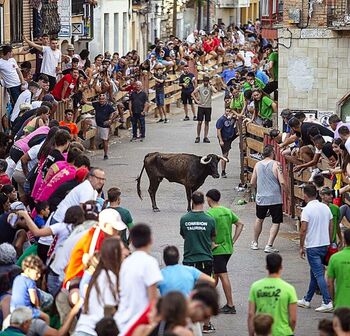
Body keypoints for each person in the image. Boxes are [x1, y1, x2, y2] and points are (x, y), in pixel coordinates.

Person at [115, 224, 163, 335]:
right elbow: (152, 297)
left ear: (131, 241)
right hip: (138, 321)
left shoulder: (126, 262)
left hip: (122, 319)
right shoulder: (149, 262)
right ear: (151, 240)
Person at [180, 191, 216, 333]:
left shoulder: (184, 219)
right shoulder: (210, 219)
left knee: (190, 291)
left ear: (192, 201)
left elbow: (184, 235)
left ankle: (189, 323)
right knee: (205, 293)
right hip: (205, 259)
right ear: (203, 201)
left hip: (189, 259)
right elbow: (212, 238)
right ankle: (206, 324)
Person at [73, 237, 122, 336]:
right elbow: (108, 308)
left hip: (83, 328)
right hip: (93, 331)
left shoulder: (98, 274)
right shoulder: (109, 277)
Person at [206, 189, 244, 314]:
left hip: (217, 249)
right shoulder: (227, 211)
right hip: (228, 248)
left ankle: (230, 304)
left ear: (209, 199)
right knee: (215, 275)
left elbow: (207, 232)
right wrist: (233, 240)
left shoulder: (209, 214)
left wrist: (211, 244)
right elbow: (240, 224)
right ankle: (207, 300)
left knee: (222, 274)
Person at [298, 184, 334, 312]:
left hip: (313, 245)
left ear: (305, 195)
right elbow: (331, 225)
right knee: (314, 273)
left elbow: (303, 229)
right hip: (324, 244)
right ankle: (307, 299)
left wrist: (301, 246)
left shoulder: (307, 210)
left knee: (318, 273)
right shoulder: (325, 208)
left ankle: (327, 301)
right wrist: (329, 240)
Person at [248, 253, 297, 336]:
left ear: (267, 267)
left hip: (263, 332)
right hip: (283, 332)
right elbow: (293, 319)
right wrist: (289, 331)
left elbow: (251, 314)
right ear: (281, 267)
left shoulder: (256, 287)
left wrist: (251, 333)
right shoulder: (289, 289)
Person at [250, 144, 286, 253]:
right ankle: (269, 244)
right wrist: (287, 193)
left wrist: (259, 189)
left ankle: (255, 242)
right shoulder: (276, 164)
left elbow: (252, 182)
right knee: (276, 221)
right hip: (275, 197)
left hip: (261, 197)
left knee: (259, 219)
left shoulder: (257, 165)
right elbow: (282, 182)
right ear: (272, 153)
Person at [10, 255, 50, 324]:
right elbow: (33, 299)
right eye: (37, 273)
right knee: (46, 317)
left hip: (13, 309)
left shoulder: (17, 278)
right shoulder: (30, 281)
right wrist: (37, 307)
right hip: (25, 311)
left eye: (40, 273)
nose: (39, 275)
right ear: (28, 270)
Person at [327, 229, 350, 309]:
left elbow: (329, 283)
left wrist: (334, 301)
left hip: (341, 305)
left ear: (344, 241)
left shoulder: (335, 258)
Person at [90, 93, 116, 159]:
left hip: (104, 124)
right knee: (86, 121)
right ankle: (83, 135)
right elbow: (87, 102)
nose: (101, 100)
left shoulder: (109, 106)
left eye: (103, 99)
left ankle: (105, 154)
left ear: (105, 100)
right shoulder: (96, 104)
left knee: (105, 140)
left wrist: (110, 120)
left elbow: (115, 113)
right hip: (96, 122)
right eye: (100, 99)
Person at [191, 76, 217, 143]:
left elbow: (215, 91)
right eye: (205, 81)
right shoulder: (200, 87)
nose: (206, 83)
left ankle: (205, 136)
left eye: (207, 81)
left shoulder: (210, 87)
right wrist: (196, 101)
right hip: (201, 106)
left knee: (207, 122)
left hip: (208, 106)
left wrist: (211, 85)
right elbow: (193, 93)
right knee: (199, 122)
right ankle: (198, 136)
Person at [216, 109, 236, 178]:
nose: (228, 113)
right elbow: (218, 131)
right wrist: (221, 140)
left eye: (230, 111)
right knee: (225, 155)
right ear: (224, 111)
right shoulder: (221, 120)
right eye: (227, 111)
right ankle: (223, 171)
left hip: (231, 135)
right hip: (224, 138)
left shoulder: (233, 118)